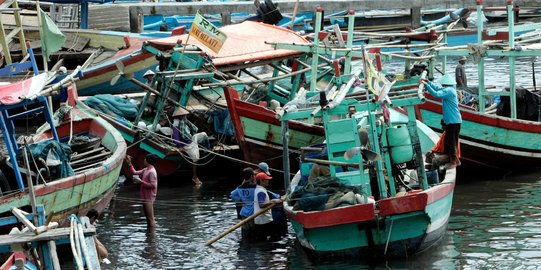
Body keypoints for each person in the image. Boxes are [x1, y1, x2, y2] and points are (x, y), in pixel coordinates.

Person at [420, 74, 462, 169]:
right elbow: (437, 88)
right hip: (452, 120)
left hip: (453, 120)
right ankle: (452, 159)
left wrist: (426, 86)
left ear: (445, 84)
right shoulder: (449, 89)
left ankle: (454, 160)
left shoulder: (449, 91)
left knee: (451, 142)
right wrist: (428, 82)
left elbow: (436, 94)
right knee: (449, 141)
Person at [171, 106, 208, 186]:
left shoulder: (184, 121)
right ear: (178, 116)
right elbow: (176, 137)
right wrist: (179, 146)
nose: (184, 116)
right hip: (186, 144)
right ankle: (195, 176)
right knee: (195, 157)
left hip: (191, 139)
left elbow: (195, 129)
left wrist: (188, 122)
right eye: (182, 115)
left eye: (184, 115)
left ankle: (206, 151)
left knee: (204, 134)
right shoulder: (176, 123)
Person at [126, 154, 158, 227]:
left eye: (145, 159)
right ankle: (149, 234)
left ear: (148, 161)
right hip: (144, 196)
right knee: (147, 218)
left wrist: (141, 182)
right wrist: (129, 163)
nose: (144, 160)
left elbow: (153, 186)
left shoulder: (152, 172)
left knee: (150, 218)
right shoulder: (146, 169)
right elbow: (134, 172)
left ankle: (152, 236)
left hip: (149, 197)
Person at [253, 172, 283, 241]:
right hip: (264, 220)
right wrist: (272, 201)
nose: (268, 181)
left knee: (263, 239)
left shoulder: (259, 189)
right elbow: (261, 205)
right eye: (266, 179)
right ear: (261, 181)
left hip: (260, 220)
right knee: (274, 238)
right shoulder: (261, 191)